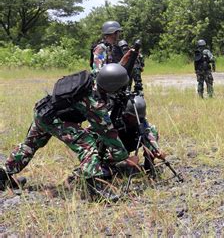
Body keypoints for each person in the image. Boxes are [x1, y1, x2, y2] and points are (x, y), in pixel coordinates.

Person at [0, 64, 133, 199]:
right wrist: (122, 154)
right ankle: (94, 190)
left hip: (44, 111)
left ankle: (3, 175)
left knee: (29, 145)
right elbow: (107, 133)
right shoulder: (94, 104)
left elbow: (112, 73)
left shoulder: (94, 76)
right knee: (87, 145)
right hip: (56, 120)